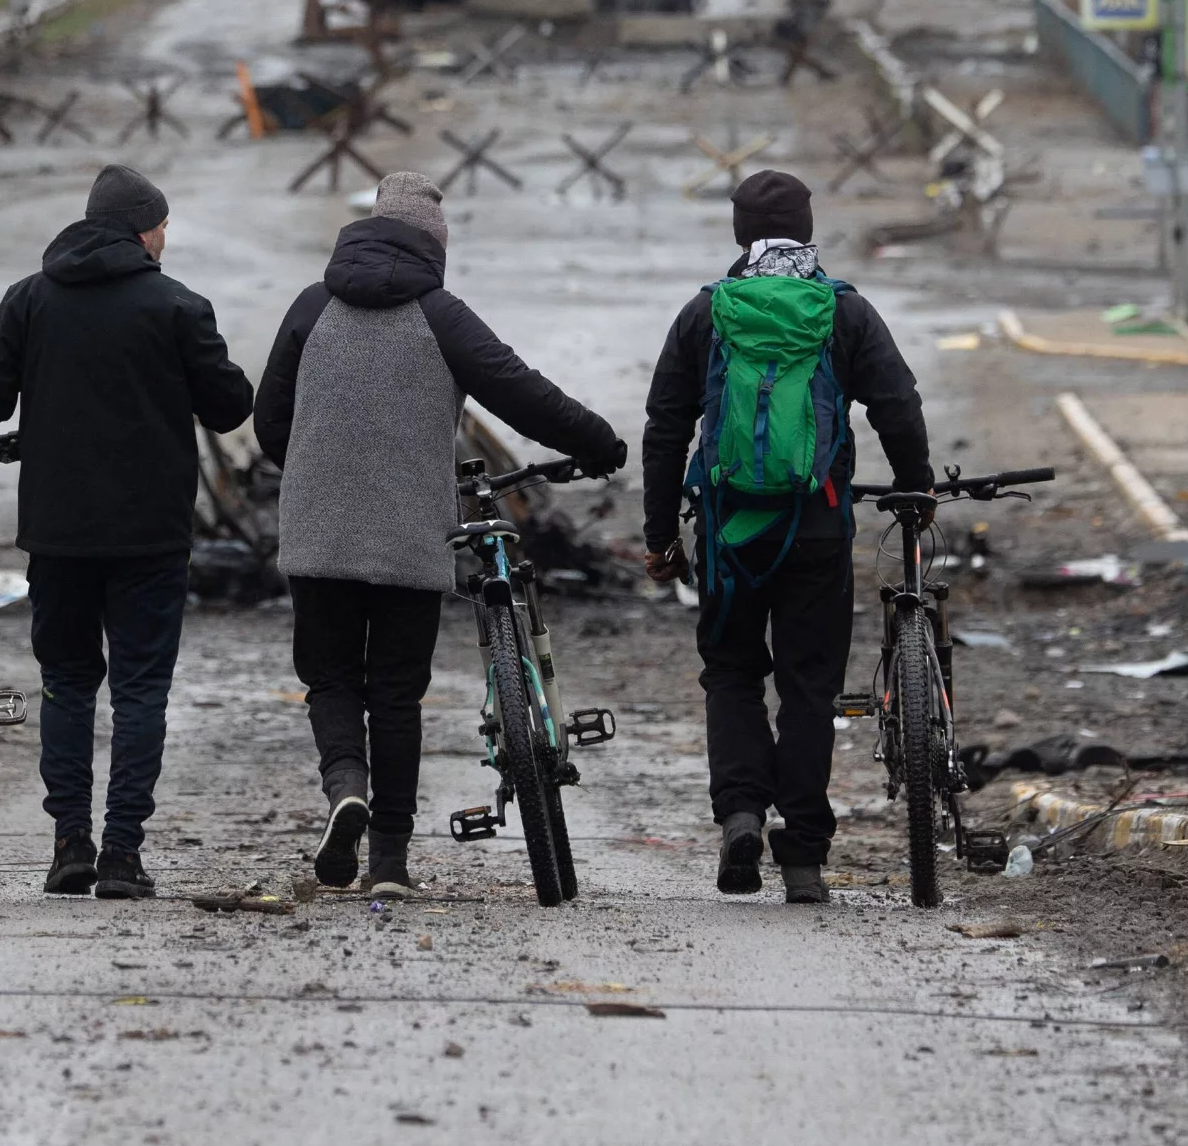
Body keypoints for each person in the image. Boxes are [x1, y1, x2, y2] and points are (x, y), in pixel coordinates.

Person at [253, 172, 625, 896]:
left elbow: (271, 419)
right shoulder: (440, 314)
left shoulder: (311, 306)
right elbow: (524, 393)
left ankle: (345, 790)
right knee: (396, 692)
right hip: (409, 533)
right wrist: (600, 441)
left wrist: (314, 473)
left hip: (317, 529)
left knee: (330, 678)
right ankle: (389, 862)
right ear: (435, 245)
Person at [0, 164, 254, 900]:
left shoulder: (31, 301)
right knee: (140, 691)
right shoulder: (176, 306)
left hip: (60, 534)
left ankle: (70, 844)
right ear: (143, 230)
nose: (166, 240)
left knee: (67, 685)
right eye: (163, 227)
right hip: (151, 537)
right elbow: (231, 406)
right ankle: (123, 854)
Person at [641, 169, 929, 905]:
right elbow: (896, 403)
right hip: (819, 527)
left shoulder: (707, 313)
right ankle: (802, 853)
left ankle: (740, 813)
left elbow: (666, 427)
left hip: (730, 532)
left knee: (732, 671)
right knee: (809, 685)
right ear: (808, 227)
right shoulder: (844, 313)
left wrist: (658, 533)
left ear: (740, 232)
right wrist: (916, 487)